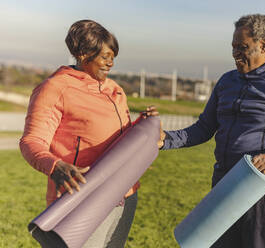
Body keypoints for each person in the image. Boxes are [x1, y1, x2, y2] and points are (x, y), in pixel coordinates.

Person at [160, 14, 265, 248]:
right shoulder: (226, 82)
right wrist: (165, 140)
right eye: (233, 47)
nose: (235, 53)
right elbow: (204, 128)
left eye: (242, 47)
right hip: (223, 188)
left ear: (263, 45)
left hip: (264, 195)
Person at [20, 19, 161, 248]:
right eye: (105, 57)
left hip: (124, 194)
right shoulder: (55, 88)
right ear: (83, 54)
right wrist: (54, 166)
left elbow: (118, 138)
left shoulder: (115, 89)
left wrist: (142, 124)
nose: (111, 63)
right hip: (82, 200)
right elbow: (31, 141)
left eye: (113, 56)